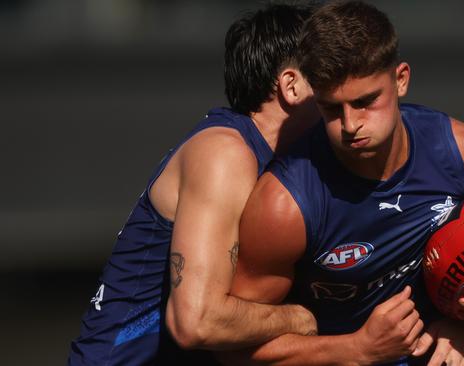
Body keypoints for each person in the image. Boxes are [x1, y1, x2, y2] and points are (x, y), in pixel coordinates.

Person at [228, 1, 464, 365]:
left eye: (366, 101)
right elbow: (234, 351)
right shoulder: (286, 205)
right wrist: (354, 349)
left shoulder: (458, 152)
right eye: (332, 109)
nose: (351, 125)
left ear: (401, 79)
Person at [68, 4, 323, 365]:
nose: (341, 89)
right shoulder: (226, 154)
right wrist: (301, 319)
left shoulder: (277, 162)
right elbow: (196, 321)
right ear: (292, 86)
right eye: (330, 73)